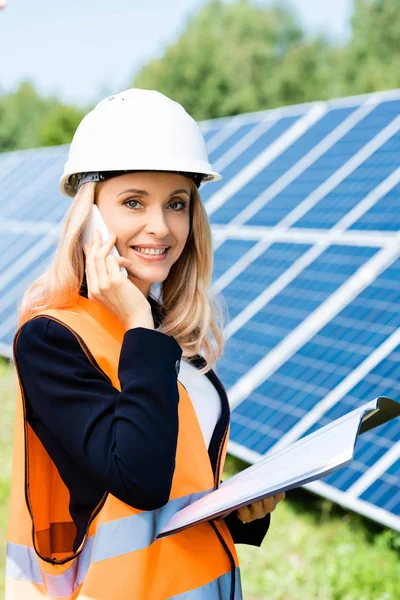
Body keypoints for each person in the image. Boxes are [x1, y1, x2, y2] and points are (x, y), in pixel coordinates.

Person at [6, 88, 285, 600]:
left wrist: (245, 513)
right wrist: (137, 324)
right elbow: (140, 479)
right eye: (134, 202)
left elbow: (178, 484)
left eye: (176, 204)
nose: (160, 226)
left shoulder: (166, 334)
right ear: (89, 215)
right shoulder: (53, 337)